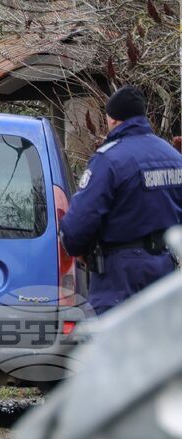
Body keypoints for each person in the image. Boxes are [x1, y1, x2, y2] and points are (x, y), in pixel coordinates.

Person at [60, 85, 182, 314]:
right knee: (159, 345)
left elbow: (77, 226)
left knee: (117, 346)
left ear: (113, 120)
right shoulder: (173, 157)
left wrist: (75, 247)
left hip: (119, 277)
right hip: (164, 269)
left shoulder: (110, 160)